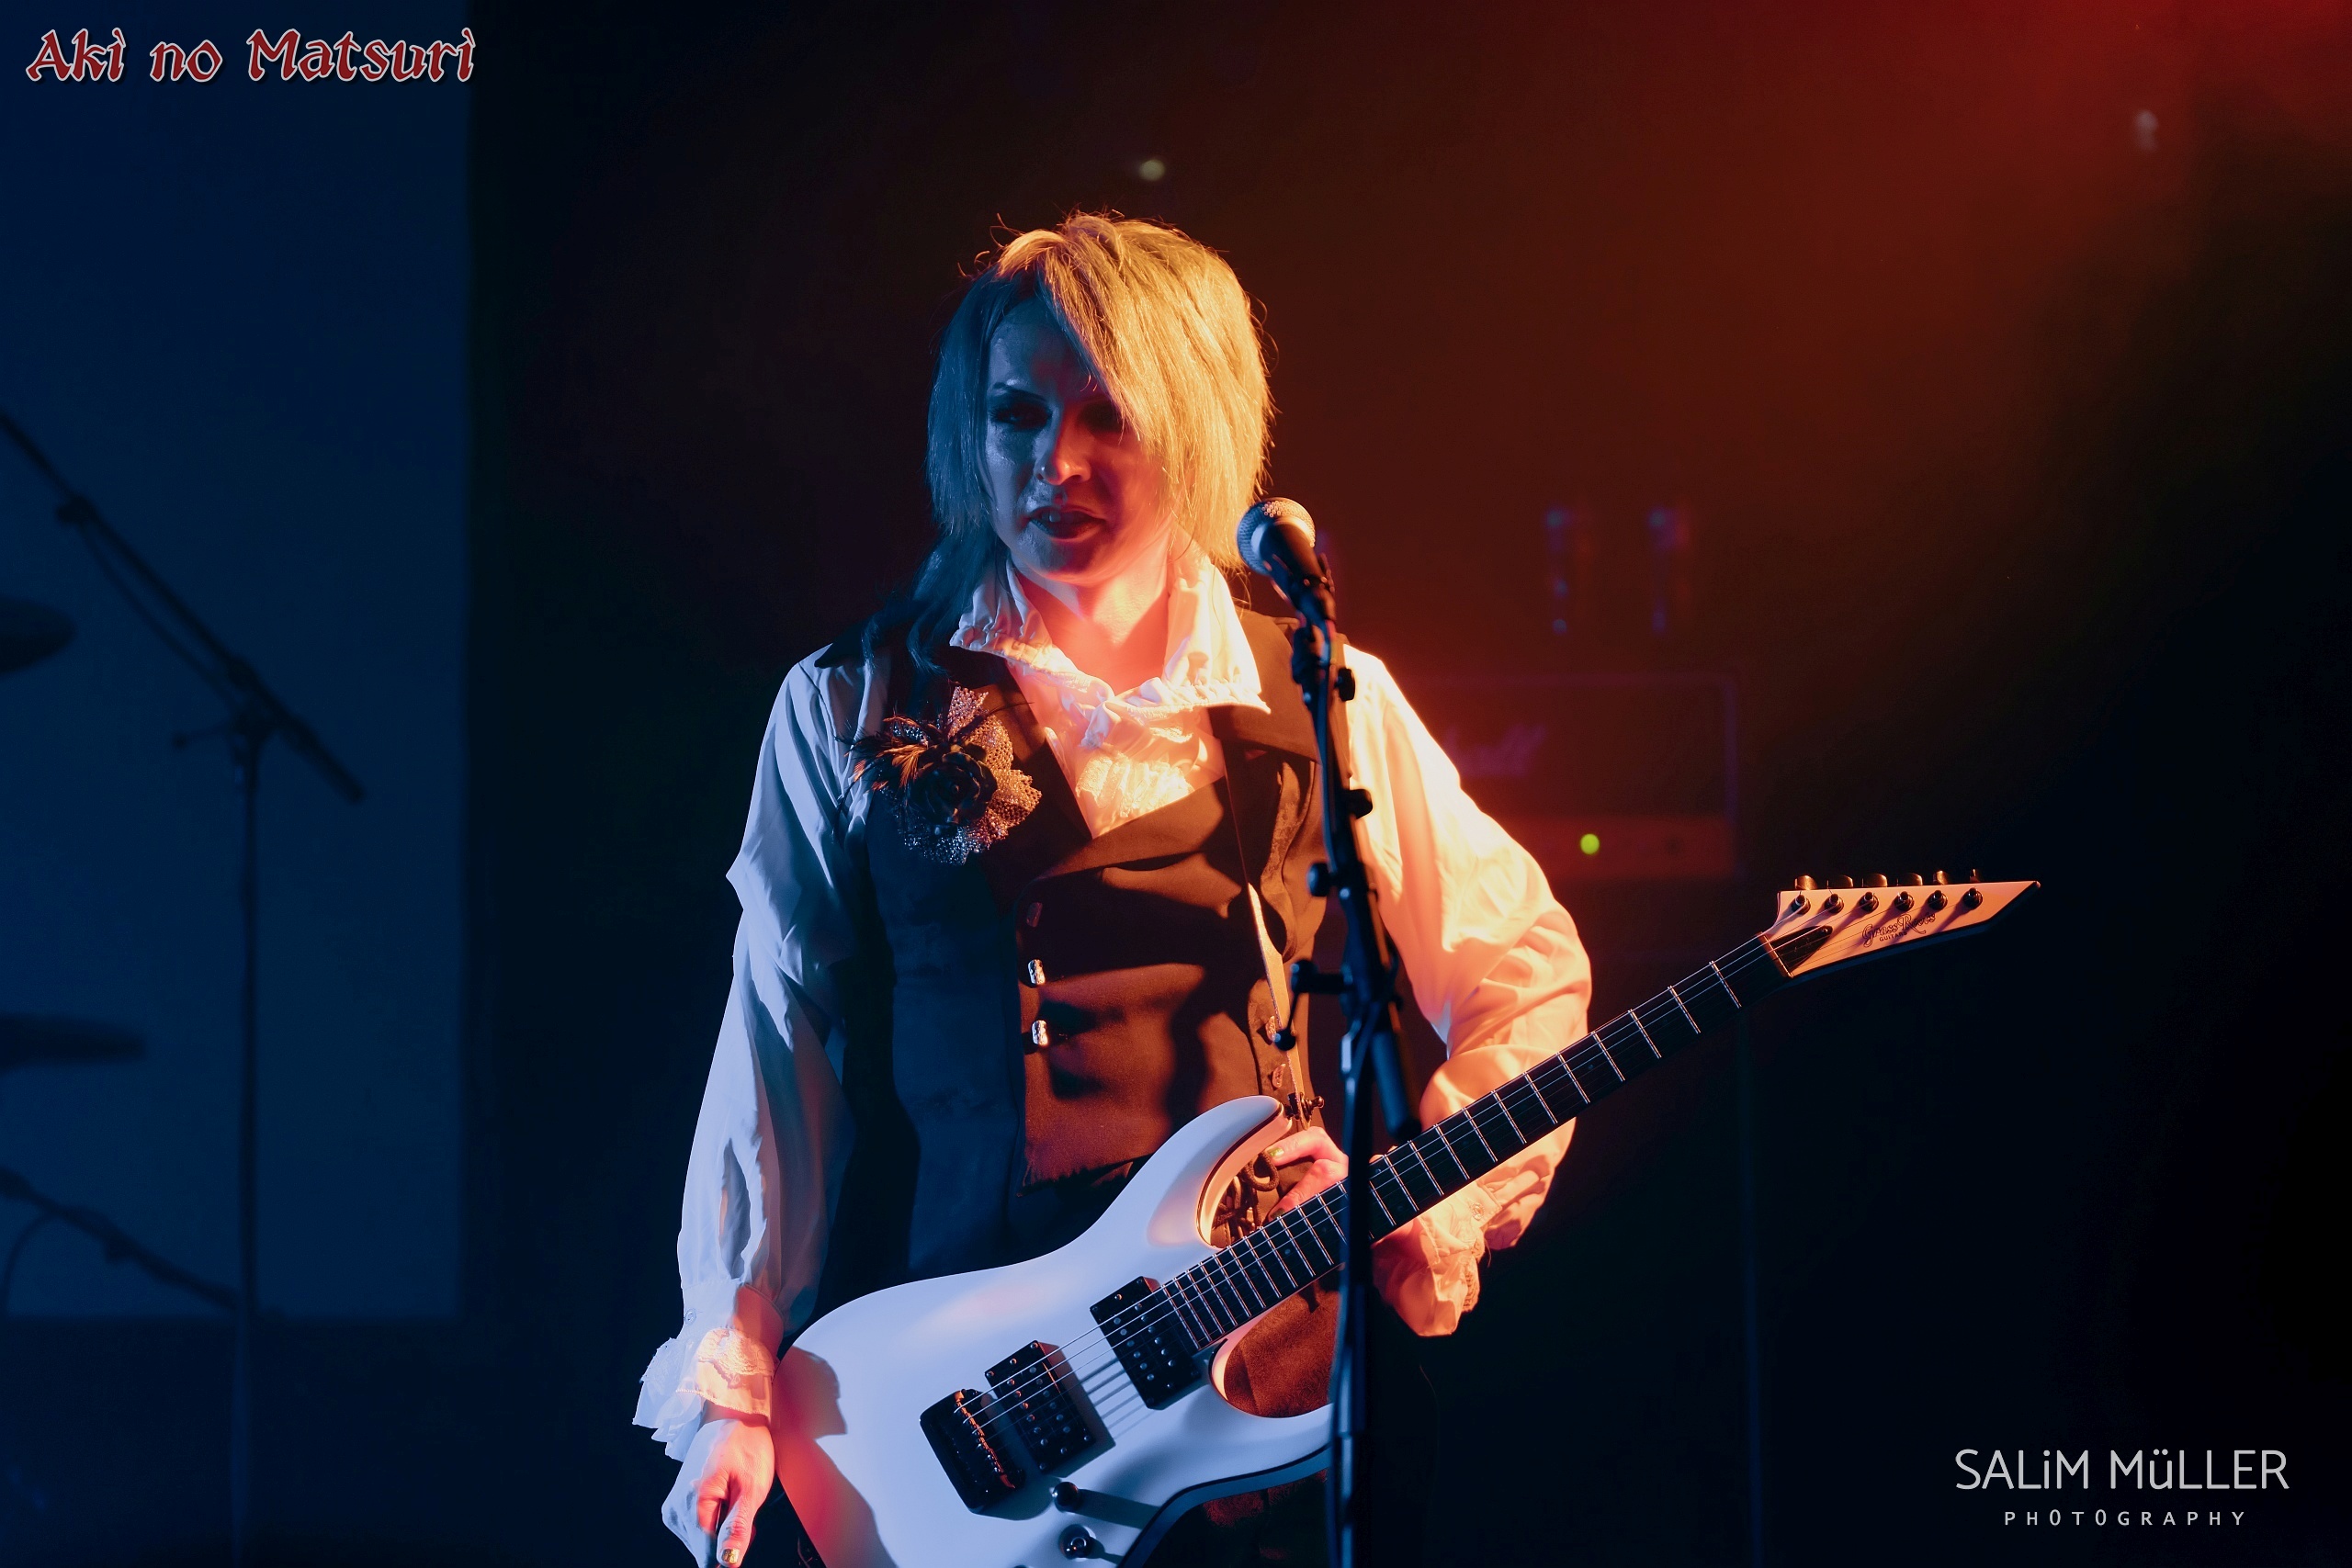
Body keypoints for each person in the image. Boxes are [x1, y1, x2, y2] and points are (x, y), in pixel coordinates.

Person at [633, 213, 1592, 1566]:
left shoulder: (1320, 691)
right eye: (1016, 415)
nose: (1056, 463)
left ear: (1192, 426)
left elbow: (1524, 965)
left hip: (1273, 1387)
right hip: (986, 1414)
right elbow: (775, 1055)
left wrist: (1425, 1201)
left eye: (1109, 416)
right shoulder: (849, 704)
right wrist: (734, 1382)